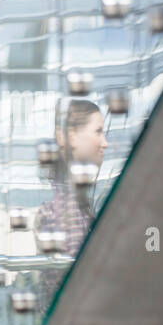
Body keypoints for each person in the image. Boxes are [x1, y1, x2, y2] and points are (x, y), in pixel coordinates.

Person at [33, 98, 108, 309]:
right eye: (98, 132)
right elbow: (80, 282)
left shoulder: (73, 199)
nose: (105, 143)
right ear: (71, 136)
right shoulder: (68, 206)